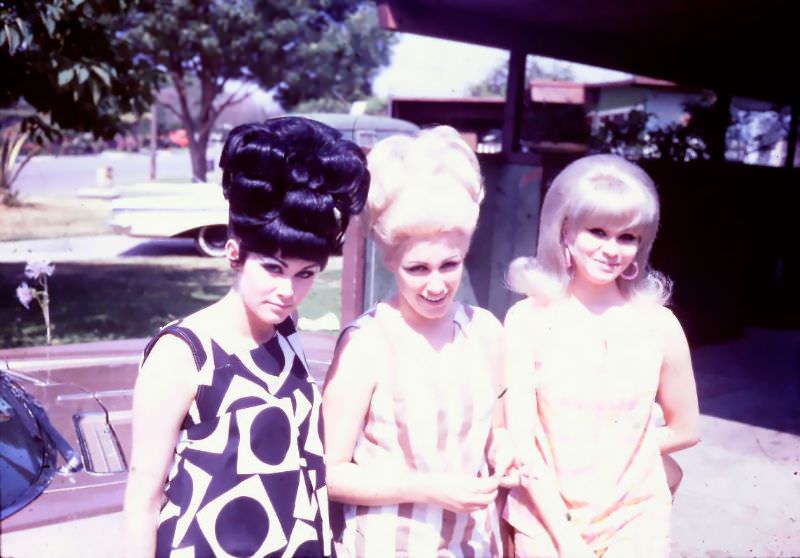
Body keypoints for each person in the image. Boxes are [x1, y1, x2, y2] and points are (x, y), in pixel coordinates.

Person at [123, 117, 370, 558]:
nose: (287, 291)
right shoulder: (183, 353)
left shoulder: (285, 334)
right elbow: (142, 500)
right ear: (235, 253)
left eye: (305, 274)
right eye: (273, 268)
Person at [322, 126, 516, 558]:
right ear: (391, 261)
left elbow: (498, 431)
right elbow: (331, 473)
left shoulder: (485, 331)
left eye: (449, 264)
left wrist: (505, 453)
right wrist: (432, 490)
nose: (436, 285)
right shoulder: (366, 343)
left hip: (475, 544)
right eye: (417, 269)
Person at [502, 154, 700, 557]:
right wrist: (565, 540)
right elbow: (522, 446)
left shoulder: (660, 325)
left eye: (628, 237)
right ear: (564, 232)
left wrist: (624, 450)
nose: (612, 250)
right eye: (598, 231)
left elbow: (685, 428)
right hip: (545, 514)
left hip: (635, 516)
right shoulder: (526, 320)